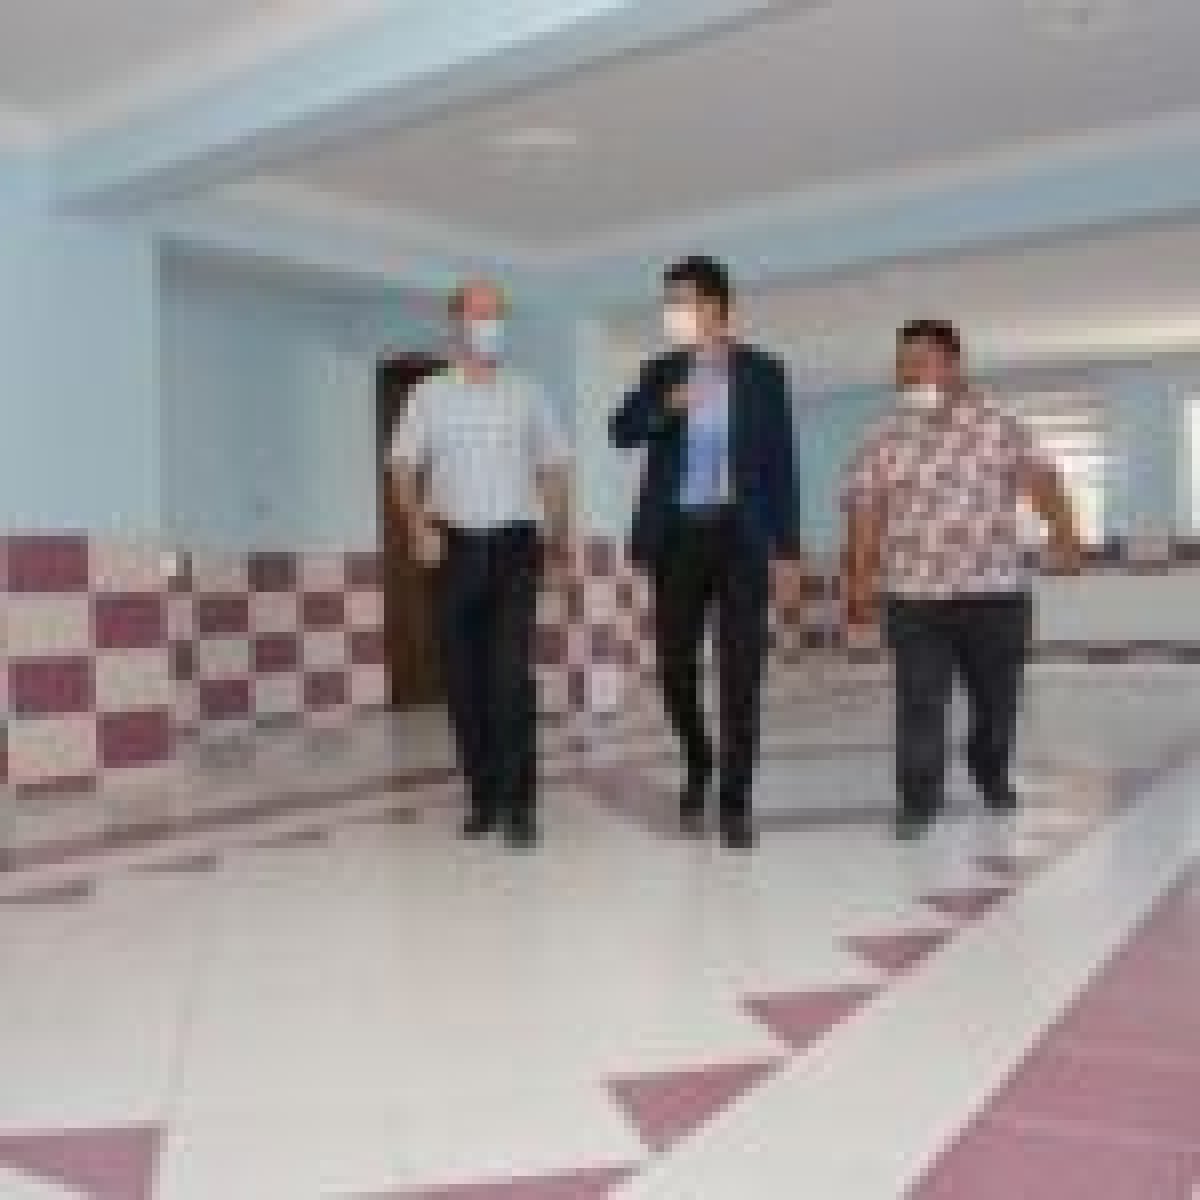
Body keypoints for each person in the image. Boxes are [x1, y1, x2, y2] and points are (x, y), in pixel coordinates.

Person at [842, 319, 1082, 841]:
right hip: (913, 595)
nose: (908, 372)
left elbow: (1044, 481)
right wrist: (859, 578)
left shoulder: (1001, 424)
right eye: (902, 364)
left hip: (995, 592)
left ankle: (990, 770)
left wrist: (1064, 534)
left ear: (953, 364)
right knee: (919, 701)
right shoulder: (882, 437)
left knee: (997, 703)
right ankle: (918, 799)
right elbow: (865, 508)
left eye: (920, 361)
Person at [610, 256, 803, 850]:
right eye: (668, 301)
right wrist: (664, 407)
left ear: (717, 306)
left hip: (743, 536)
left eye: (682, 300)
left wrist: (788, 552)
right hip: (678, 536)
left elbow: (780, 464)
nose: (672, 311)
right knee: (674, 665)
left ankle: (736, 802)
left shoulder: (765, 373)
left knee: (742, 671)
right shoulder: (660, 370)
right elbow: (621, 431)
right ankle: (698, 757)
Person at [389, 280, 570, 850]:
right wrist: (417, 526)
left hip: (517, 545)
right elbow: (402, 466)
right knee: (464, 680)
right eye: (479, 313)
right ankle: (483, 797)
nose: (490, 323)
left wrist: (558, 542)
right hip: (453, 548)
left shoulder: (528, 392)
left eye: (497, 314)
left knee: (511, 678)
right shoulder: (428, 395)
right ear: (457, 322)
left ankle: (520, 805)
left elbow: (554, 467)